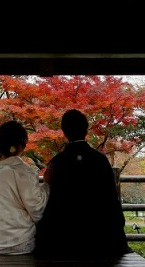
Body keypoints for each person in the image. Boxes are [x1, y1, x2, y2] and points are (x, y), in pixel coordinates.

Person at [34, 109, 131, 259]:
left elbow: (51, 204)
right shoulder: (100, 160)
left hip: (63, 242)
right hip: (100, 240)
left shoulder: (57, 163)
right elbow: (111, 200)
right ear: (86, 130)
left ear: (64, 132)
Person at [0, 119, 49, 254]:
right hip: (19, 244)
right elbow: (37, 210)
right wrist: (47, 185)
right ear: (19, 146)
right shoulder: (23, 172)